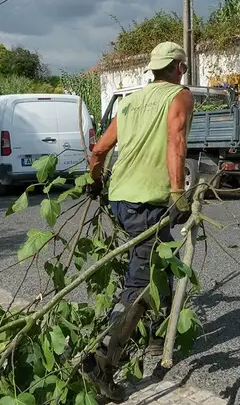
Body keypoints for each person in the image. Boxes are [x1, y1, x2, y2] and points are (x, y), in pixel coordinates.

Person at [83, 41, 195, 401]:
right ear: (179, 67)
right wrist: (178, 192)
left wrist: (95, 181)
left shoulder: (129, 101)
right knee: (140, 284)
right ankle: (102, 363)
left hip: (120, 199)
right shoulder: (179, 95)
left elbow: (99, 150)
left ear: (152, 69)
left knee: (159, 265)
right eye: (183, 67)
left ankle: (155, 339)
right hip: (149, 202)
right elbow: (176, 141)